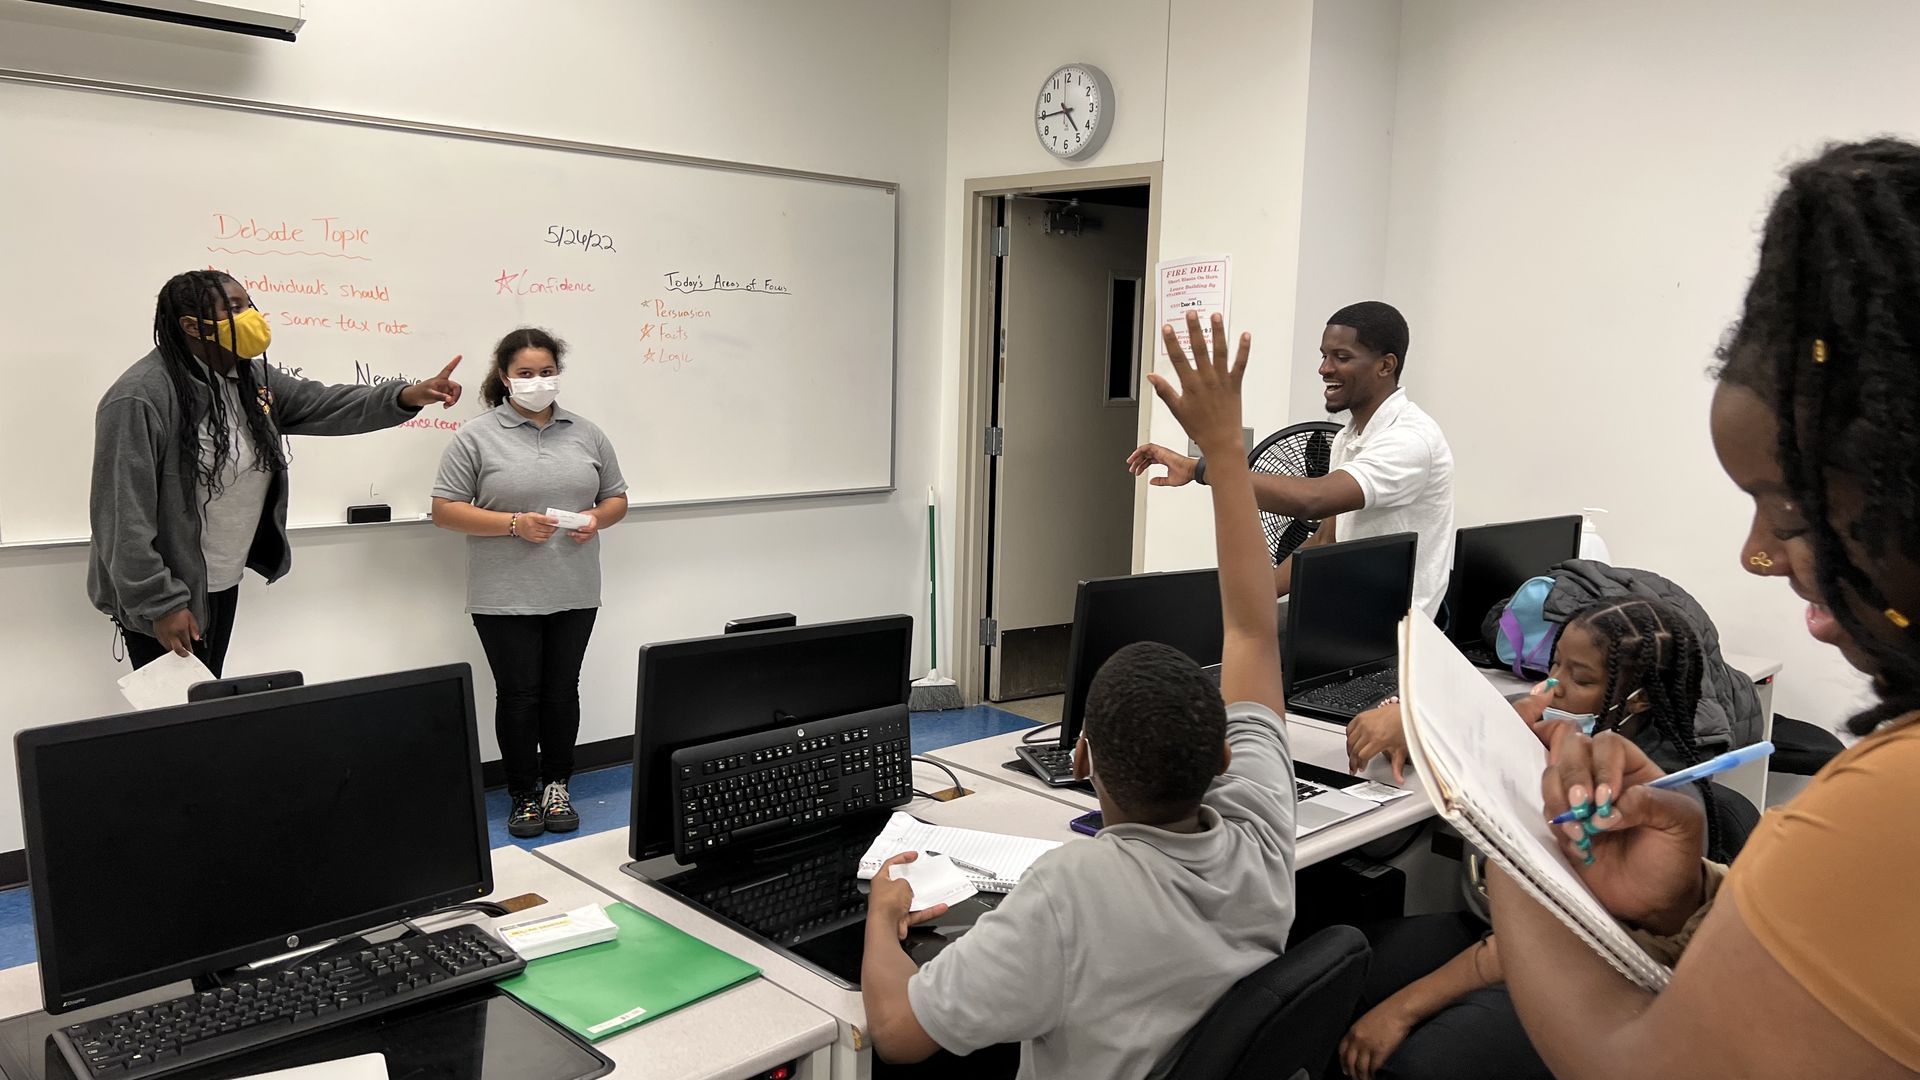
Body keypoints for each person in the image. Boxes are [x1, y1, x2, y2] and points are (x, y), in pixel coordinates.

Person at [1489, 139, 1920, 1079]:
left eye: (1793, 510)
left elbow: (1635, 1065)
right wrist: (1696, 905)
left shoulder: (1898, 800)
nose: (1755, 554)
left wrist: (1507, 826)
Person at [860, 312, 1297, 1080]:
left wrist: (881, 917)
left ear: (1085, 758)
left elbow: (897, 1030)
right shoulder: (1261, 826)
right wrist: (1225, 453)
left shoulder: (1072, 893)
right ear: (1225, 756)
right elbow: (1255, 635)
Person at [1339, 595, 1730, 1080]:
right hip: (1498, 929)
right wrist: (1407, 716)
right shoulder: (1561, 730)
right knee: (1340, 973)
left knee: (1417, 1062)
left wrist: (1403, 1009)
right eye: (1555, 664)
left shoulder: (1647, 800)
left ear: (1641, 699)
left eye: (1581, 678)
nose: (1554, 687)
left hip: (1580, 966)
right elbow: (1472, 714)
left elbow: (1541, 939)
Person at [89, 269, 463, 677]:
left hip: (218, 580)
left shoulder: (251, 377)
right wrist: (160, 604)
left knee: (201, 706)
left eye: (249, 304)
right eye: (234, 309)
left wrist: (406, 396)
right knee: (171, 723)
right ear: (192, 326)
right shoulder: (140, 397)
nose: (251, 315)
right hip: (167, 592)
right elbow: (123, 516)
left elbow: (326, 403)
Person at [1126, 301, 1456, 617]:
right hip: (1347, 611)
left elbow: (1313, 501)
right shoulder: (1348, 437)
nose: (1324, 368)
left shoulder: (1411, 440)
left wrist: (1202, 468)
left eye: (1341, 357)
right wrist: (1253, 598)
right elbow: (1326, 537)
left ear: (1386, 365)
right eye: (1324, 356)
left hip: (1398, 633)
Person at [431, 328, 628, 839]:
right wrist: (513, 524)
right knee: (518, 695)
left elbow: (617, 498)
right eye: (525, 374)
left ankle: (557, 785)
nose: (537, 382)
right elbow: (445, 510)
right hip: (503, 594)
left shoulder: (587, 433)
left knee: (562, 691)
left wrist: (595, 520)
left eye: (546, 372)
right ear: (504, 378)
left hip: (574, 587)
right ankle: (522, 794)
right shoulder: (476, 435)